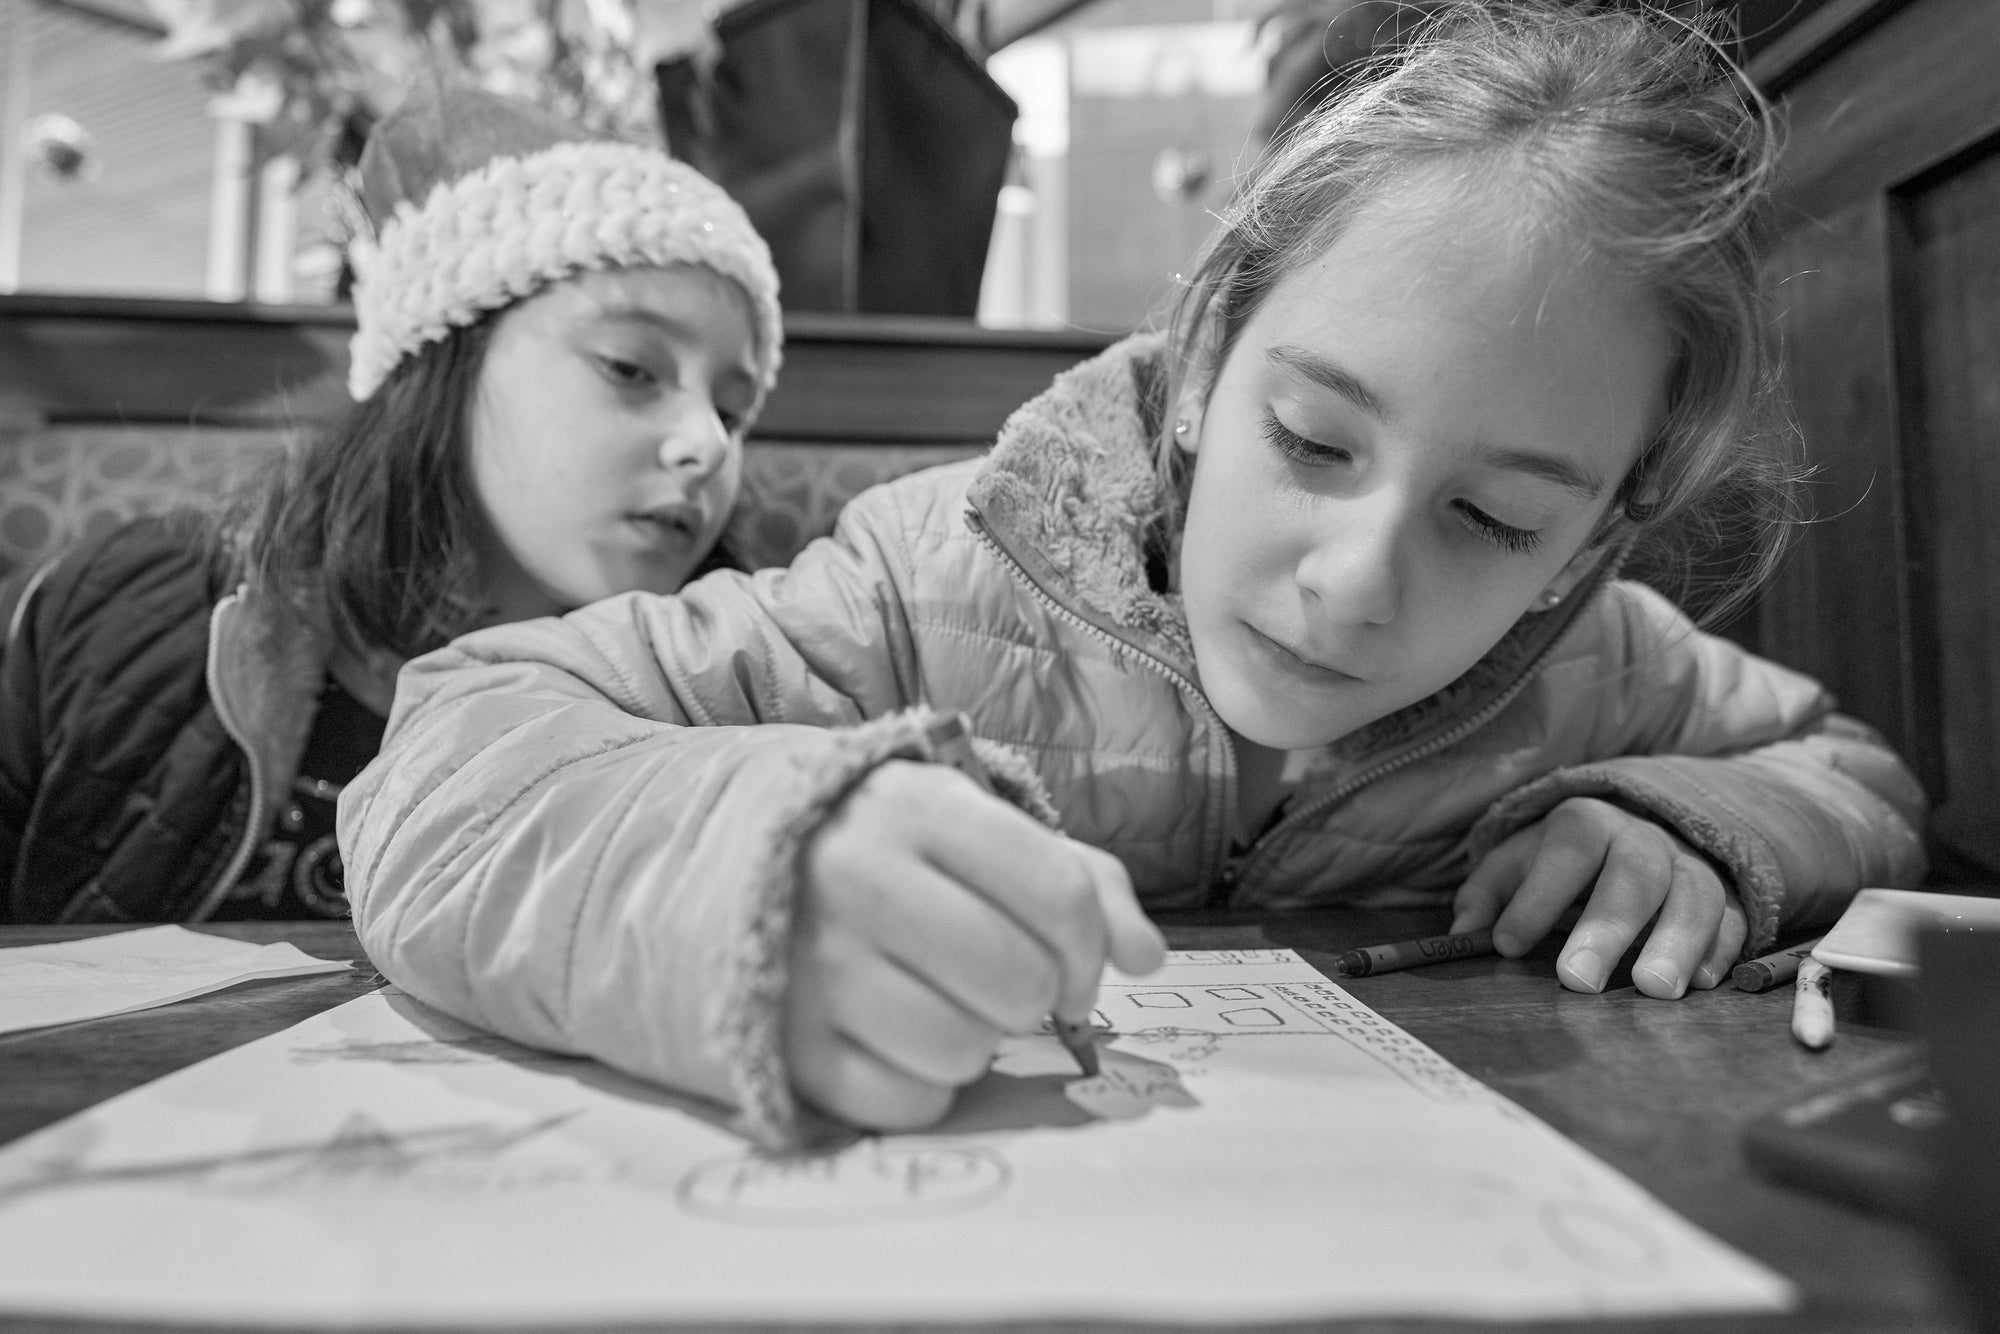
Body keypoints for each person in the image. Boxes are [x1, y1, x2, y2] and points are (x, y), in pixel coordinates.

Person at [339, 2, 1927, 1149]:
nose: (1357, 583)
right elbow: (453, 749)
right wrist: (742, 880)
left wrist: (1697, 827)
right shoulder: (922, 580)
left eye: (1498, 522)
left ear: (1595, 539)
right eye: (1313, 440)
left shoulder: (1612, 667)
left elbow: (1849, 767)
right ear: (1202, 364)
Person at [0, 75, 782, 923]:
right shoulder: (119, 613)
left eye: (733, 411)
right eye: (632, 368)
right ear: (441, 360)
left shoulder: (747, 707)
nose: (706, 444)